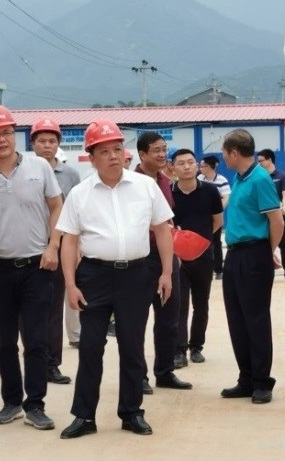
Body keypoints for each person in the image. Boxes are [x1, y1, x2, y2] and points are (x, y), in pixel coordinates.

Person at [57, 119, 174, 439]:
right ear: (92, 158)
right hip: (94, 276)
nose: (113, 156)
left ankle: (131, 412)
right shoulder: (80, 194)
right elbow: (69, 241)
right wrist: (70, 284)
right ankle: (84, 416)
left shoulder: (145, 187)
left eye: (117, 149)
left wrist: (166, 272)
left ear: (125, 153)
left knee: (132, 346)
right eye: (104, 151)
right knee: (90, 347)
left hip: (136, 275)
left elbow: (163, 229)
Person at [0, 103, 62, 431]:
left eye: (7, 132)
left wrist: (53, 246)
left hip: (37, 267)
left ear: (15, 134)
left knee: (36, 339)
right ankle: (11, 401)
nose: (2, 139)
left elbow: (57, 206)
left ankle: (35, 404)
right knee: (6, 340)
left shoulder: (40, 167)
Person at [219, 129, 283, 405]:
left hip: (254, 253)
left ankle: (261, 381)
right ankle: (246, 378)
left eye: (225, 153)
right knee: (237, 319)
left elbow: (277, 221)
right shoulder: (239, 177)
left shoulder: (260, 179)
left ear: (234, 153)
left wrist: (267, 252)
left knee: (256, 320)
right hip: (234, 254)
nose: (224, 158)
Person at [135, 132, 191, 393]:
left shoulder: (165, 181)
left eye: (163, 149)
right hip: (140, 257)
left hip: (166, 256)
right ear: (142, 154)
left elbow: (167, 218)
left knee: (169, 317)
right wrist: (158, 228)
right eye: (156, 150)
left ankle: (165, 372)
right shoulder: (130, 183)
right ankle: (138, 376)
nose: (161, 154)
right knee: (136, 320)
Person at [30, 116, 81, 383]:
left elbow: (77, 213)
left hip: (60, 247)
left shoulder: (70, 175)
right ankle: (34, 361)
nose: (47, 146)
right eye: (42, 141)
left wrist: (74, 247)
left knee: (53, 308)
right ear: (33, 144)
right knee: (31, 310)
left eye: (52, 141)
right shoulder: (26, 171)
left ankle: (52, 364)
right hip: (29, 247)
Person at [170, 149, 224, 368]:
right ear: (173, 167)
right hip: (177, 258)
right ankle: (179, 349)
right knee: (179, 304)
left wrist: (199, 242)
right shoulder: (168, 193)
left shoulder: (210, 191)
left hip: (204, 256)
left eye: (191, 162)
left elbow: (217, 220)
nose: (186, 166)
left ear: (197, 165)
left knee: (201, 304)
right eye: (181, 163)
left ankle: (196, 347)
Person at [257, 149, 285, 281]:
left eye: (261, 161)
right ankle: (266, 271)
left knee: (283, 243)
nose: (259, 164)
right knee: (263, 244)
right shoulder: (259, 177)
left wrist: (284, 207)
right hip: (262, 216)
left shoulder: (282, 176)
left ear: (269, 160)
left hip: (277, 214)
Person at [198, 155, 231, 280]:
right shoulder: (198, 179)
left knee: (216, 242)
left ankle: (218, 270)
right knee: (200, 241)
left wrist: (217, 210)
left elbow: (226, 197)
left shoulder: (222, 180)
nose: (200, 168)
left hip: (215, 217)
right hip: (201, 216)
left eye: (202, 166)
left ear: (210, 167)